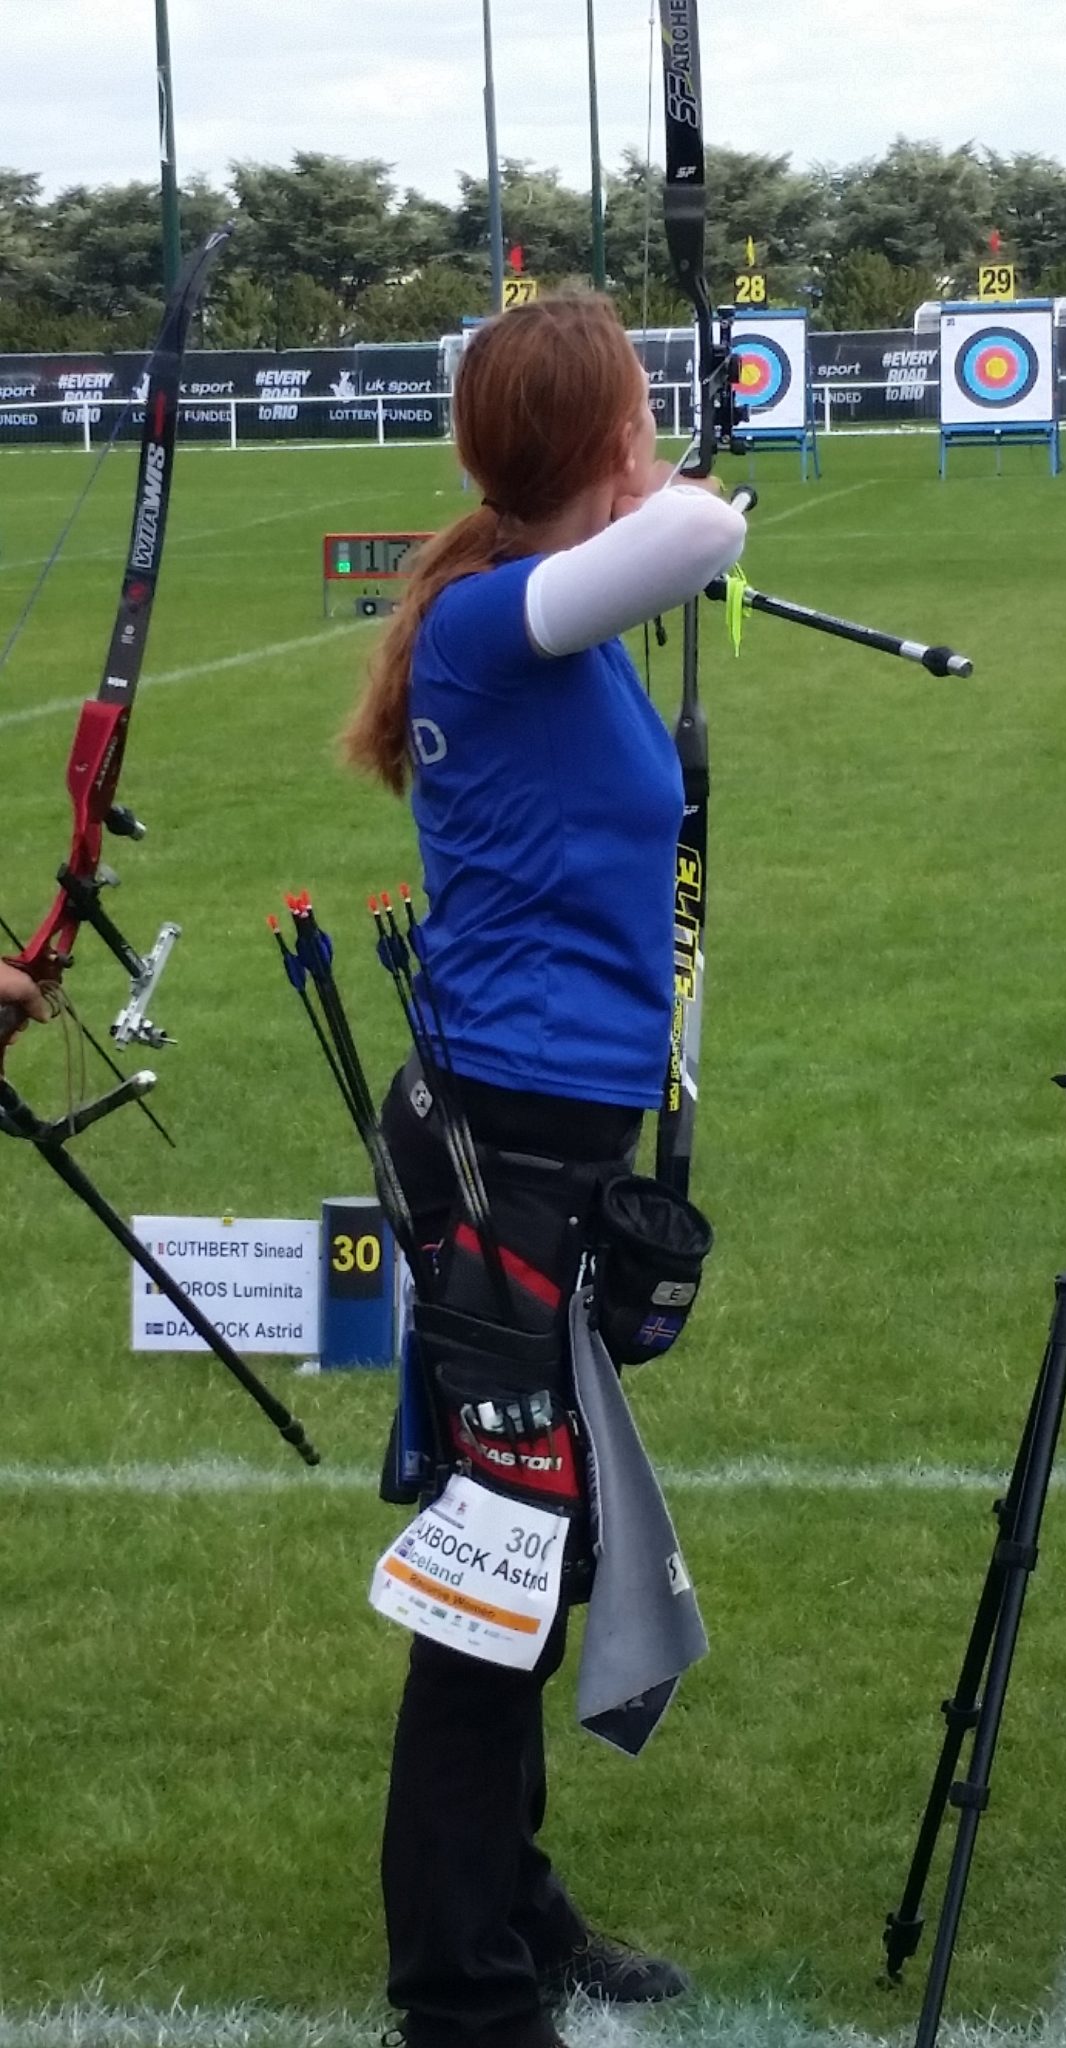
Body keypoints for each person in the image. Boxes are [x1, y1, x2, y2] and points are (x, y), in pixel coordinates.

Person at [344, 293, 746, 2048]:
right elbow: (703, 531)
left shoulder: (536, 610)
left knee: (535, 1551)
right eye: (638, 413)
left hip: (543, 1147)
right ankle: (461, 1996)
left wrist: (648, 476)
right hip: (503, 1155)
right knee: (497, 1574)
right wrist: (674, 482)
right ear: (604, 438)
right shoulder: (490, 622)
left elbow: (666, 538)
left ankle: (513, 1905)